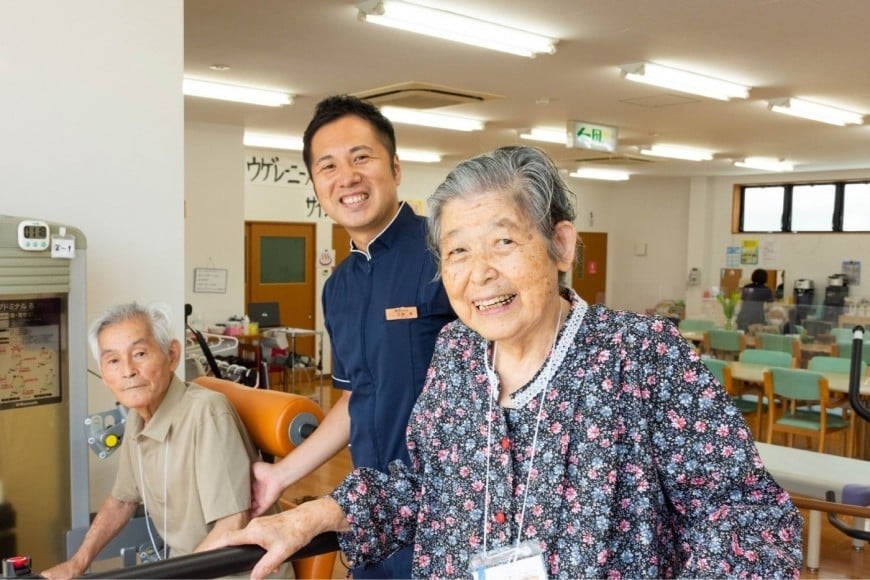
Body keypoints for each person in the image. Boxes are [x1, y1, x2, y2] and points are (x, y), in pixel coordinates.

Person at [216, 145, 803, 578]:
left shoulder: (642, 356)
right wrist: (314, 514)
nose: (480, 274)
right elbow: (422, 484)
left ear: (562, 246)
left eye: (503, 241)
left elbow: (747, 517)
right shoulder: (455, 356)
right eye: (458, 252)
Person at [248, 95, 455, 578]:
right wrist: (281, 474)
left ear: (396, 167)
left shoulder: (448, 253)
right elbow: (357, 399)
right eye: (328, 166)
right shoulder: (338, 287)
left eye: (361, 157)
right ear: (318, 185)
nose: (348, 176)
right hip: (369, 514)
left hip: (450, 507)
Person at [42, 302, 263, 578]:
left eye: (140, 354)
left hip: (235, 573)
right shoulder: (138, 417)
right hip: (186, 568)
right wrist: (76, 564)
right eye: (113, 361)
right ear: (103, 373)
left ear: (172, 355)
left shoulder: (206, 414)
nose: (128, 371)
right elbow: (122, 501)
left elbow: (231, 524)